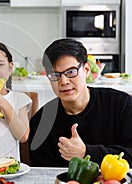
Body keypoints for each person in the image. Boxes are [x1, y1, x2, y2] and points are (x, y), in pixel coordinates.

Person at [28, 38, 132, 167]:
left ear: (86, 70)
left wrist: (87, 152)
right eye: (55, 75)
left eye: (71, 72)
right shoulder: (41, 123)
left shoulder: (120, 104)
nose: (64, 81)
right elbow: (43, 175)